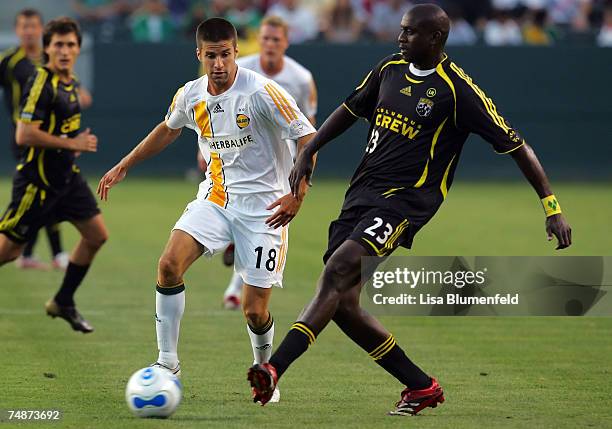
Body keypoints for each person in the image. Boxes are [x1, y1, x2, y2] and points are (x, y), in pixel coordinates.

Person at [247, 4, 572, 415]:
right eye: (400, 31)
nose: (400, 38)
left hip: (407, 202)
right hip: (360, 194)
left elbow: (516, 145)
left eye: (409, 33)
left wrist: (551, 206)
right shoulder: (389, 69)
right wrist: (310, 149)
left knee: (339, 269)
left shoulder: (458, 91)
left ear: (434, 38)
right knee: (343, 303)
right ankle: (421, 386)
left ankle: (275, 367)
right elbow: (350, 109)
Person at [97, 18, 316, 403]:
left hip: (265, 210)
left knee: (254, 311)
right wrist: (125, 163)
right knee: (168, 265)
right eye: (211, 56)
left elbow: (308, 136)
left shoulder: (262, 91)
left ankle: (265, 372)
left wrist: (297, 195)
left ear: (235, 53)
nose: (219, 64)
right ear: (199, 54)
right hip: (215, 199)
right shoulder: (191, 94)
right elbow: (168, 128)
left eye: (226, 55)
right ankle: (167, 363)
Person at [0, 17, 107, 334]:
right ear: (47, 49)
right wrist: (70, 143)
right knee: (10, 251)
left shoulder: (71, 82)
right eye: (58, 44)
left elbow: (60, 126)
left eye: (70, 44)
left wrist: (73, 143)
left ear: (77, 49)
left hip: (67, 179)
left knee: (96, 235)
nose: (64, 50)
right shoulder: (39, 81)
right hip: (37, 182)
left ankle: (63, 301)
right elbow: (24, 134)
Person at [217, 15, 318, 310]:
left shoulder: (301, 78)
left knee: (268, 222)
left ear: (286, 42)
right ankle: (234, 268)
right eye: (265, 39)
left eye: (276, 39)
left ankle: (236, 286)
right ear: (258, 41)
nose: (270, 44)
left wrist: (305, 171)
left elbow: (309, 128)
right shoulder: (241, 68)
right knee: (242, 216)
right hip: (240, 154)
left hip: (282, 162)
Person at [0, 9, 93, 271]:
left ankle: (37, 254)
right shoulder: (10, 62)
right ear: (17, 31)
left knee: (48, 200)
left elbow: (84, 97)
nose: (28, 31)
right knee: (39, 198)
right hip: (30, 140)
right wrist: (73, 143)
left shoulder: (57, 62)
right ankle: (53, 253)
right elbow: (25, 130)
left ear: (40, 31)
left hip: (55, 144)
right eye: (23, 27)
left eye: (33, 27)